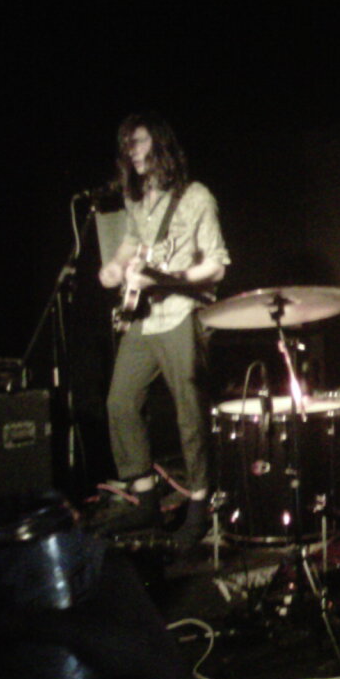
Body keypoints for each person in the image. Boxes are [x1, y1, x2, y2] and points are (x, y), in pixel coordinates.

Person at [94, 113, 230, 546]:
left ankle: (200, 503)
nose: (131, 152)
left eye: (137, 142)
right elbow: (133, 243)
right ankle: (145, 498)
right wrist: (116, 267)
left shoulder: (196, 197)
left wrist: (171, 279)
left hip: (182, 312)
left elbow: (217, 265)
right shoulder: (136, 199)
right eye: (126, 145)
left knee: (189, 412)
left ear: (160, 144)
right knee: (120, 402)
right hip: (144, 316)